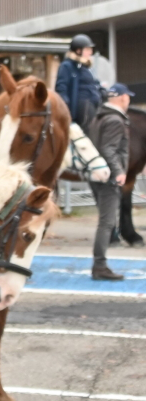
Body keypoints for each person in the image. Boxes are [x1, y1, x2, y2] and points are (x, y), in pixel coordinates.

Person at [88, 83, 133, 281]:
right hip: (109, 176)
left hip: (97, 174)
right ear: (123, 98)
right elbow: (109, 149)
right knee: (107, 223)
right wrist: (119, 172)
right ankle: (99, 266)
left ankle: (99, 265)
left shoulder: (99, 117)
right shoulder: (115, 120)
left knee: (105, 221)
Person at [56, 34, 103, 131]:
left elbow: (94, 83)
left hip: (93, 106)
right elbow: (61, 88)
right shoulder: (67, 66)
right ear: (78, 51)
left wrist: (102, 90)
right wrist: (66, 108)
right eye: (87, 49)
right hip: (81, 110)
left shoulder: (86, 67)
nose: (91, 52)